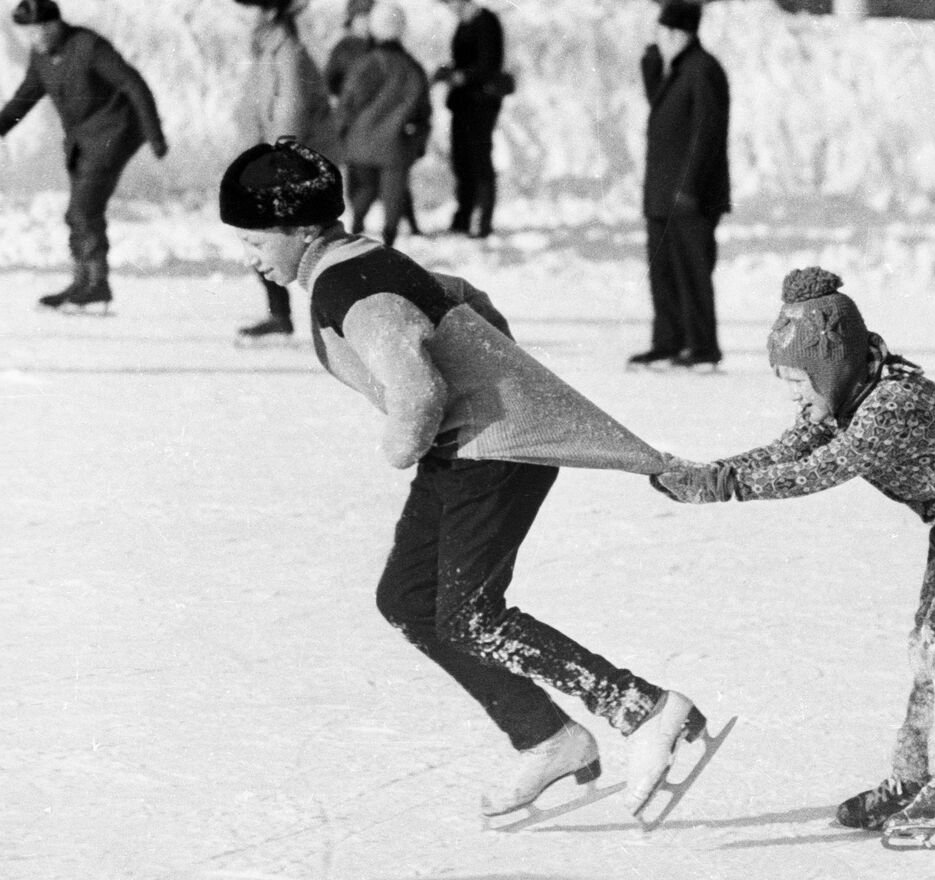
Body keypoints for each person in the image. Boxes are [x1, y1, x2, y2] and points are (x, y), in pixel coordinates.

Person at [218, 137, 718, 821]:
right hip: (467, 445)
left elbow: (417, 388)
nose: (253, 260)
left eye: (254, 243)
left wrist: (402, 440)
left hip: (494, 446)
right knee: (410, 598)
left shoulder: (344, 283)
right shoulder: (361, 259)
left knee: (470, 615)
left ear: (299, 228)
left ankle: (643, 708)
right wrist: (479, 369)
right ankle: (549, 739)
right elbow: (466, 300)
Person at [651, 267, 935, 845]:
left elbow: (819, 470)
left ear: (831, 366)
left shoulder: (887, 404)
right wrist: (712, 473)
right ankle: (912, 780)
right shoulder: (849, 394)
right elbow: (788, 450)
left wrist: (726, 487)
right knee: (927, 645)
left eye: (799, 380)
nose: (794, 393)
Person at [0, 0, 166, 313]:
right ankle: (84, 282)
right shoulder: (41, 57)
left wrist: (154, 135)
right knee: (81, 211)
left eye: (42, 29)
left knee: (83, 209)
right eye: (30, 31)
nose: (37, 37)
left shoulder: (88, 46)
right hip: (83, 143)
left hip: (114, 134)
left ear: (56, 23)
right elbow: (25, 96)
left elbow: (133, 83)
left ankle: (96, 284)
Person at [628, 0, 730, 371]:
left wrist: (690, 188)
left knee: (691, 272)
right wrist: (651, 67)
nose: (662, 38)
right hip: (662, 194)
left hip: (690, 196)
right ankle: (668, 341)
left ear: (681, 33)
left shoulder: (703, 69)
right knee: (663, 272)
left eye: (667, 32)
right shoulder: (679, 69)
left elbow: (707, 132)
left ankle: (702, 347)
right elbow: (662, 108)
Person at [233, 0, 339, 343]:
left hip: (291, 160)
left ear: (269, 14)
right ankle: (287, 314)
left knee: (301, 240)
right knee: (280, 237)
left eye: (255, 10)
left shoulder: (287, 52)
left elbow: (291, 108)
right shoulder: (270, 50)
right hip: (275, 156)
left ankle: (337, 314)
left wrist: (280, 160)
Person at [338, 1, 431, 249]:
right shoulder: (413, 68)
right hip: (396, 145)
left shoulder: (365, 64)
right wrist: (419, 143)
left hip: (360, 143)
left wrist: (341, 133)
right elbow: (424, 112)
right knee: (393, 196)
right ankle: (389, 242)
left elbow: (347, 103)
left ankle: (355, 229)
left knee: (365, 190)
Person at [435, 0, 505, 238]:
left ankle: (482, 220)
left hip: (481, 103)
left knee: (478, 158)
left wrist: (460, 76)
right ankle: (464, 216)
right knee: (462, 160)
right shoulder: (464, 23)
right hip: (463, 103)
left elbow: (488, 64)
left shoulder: (485, 21)